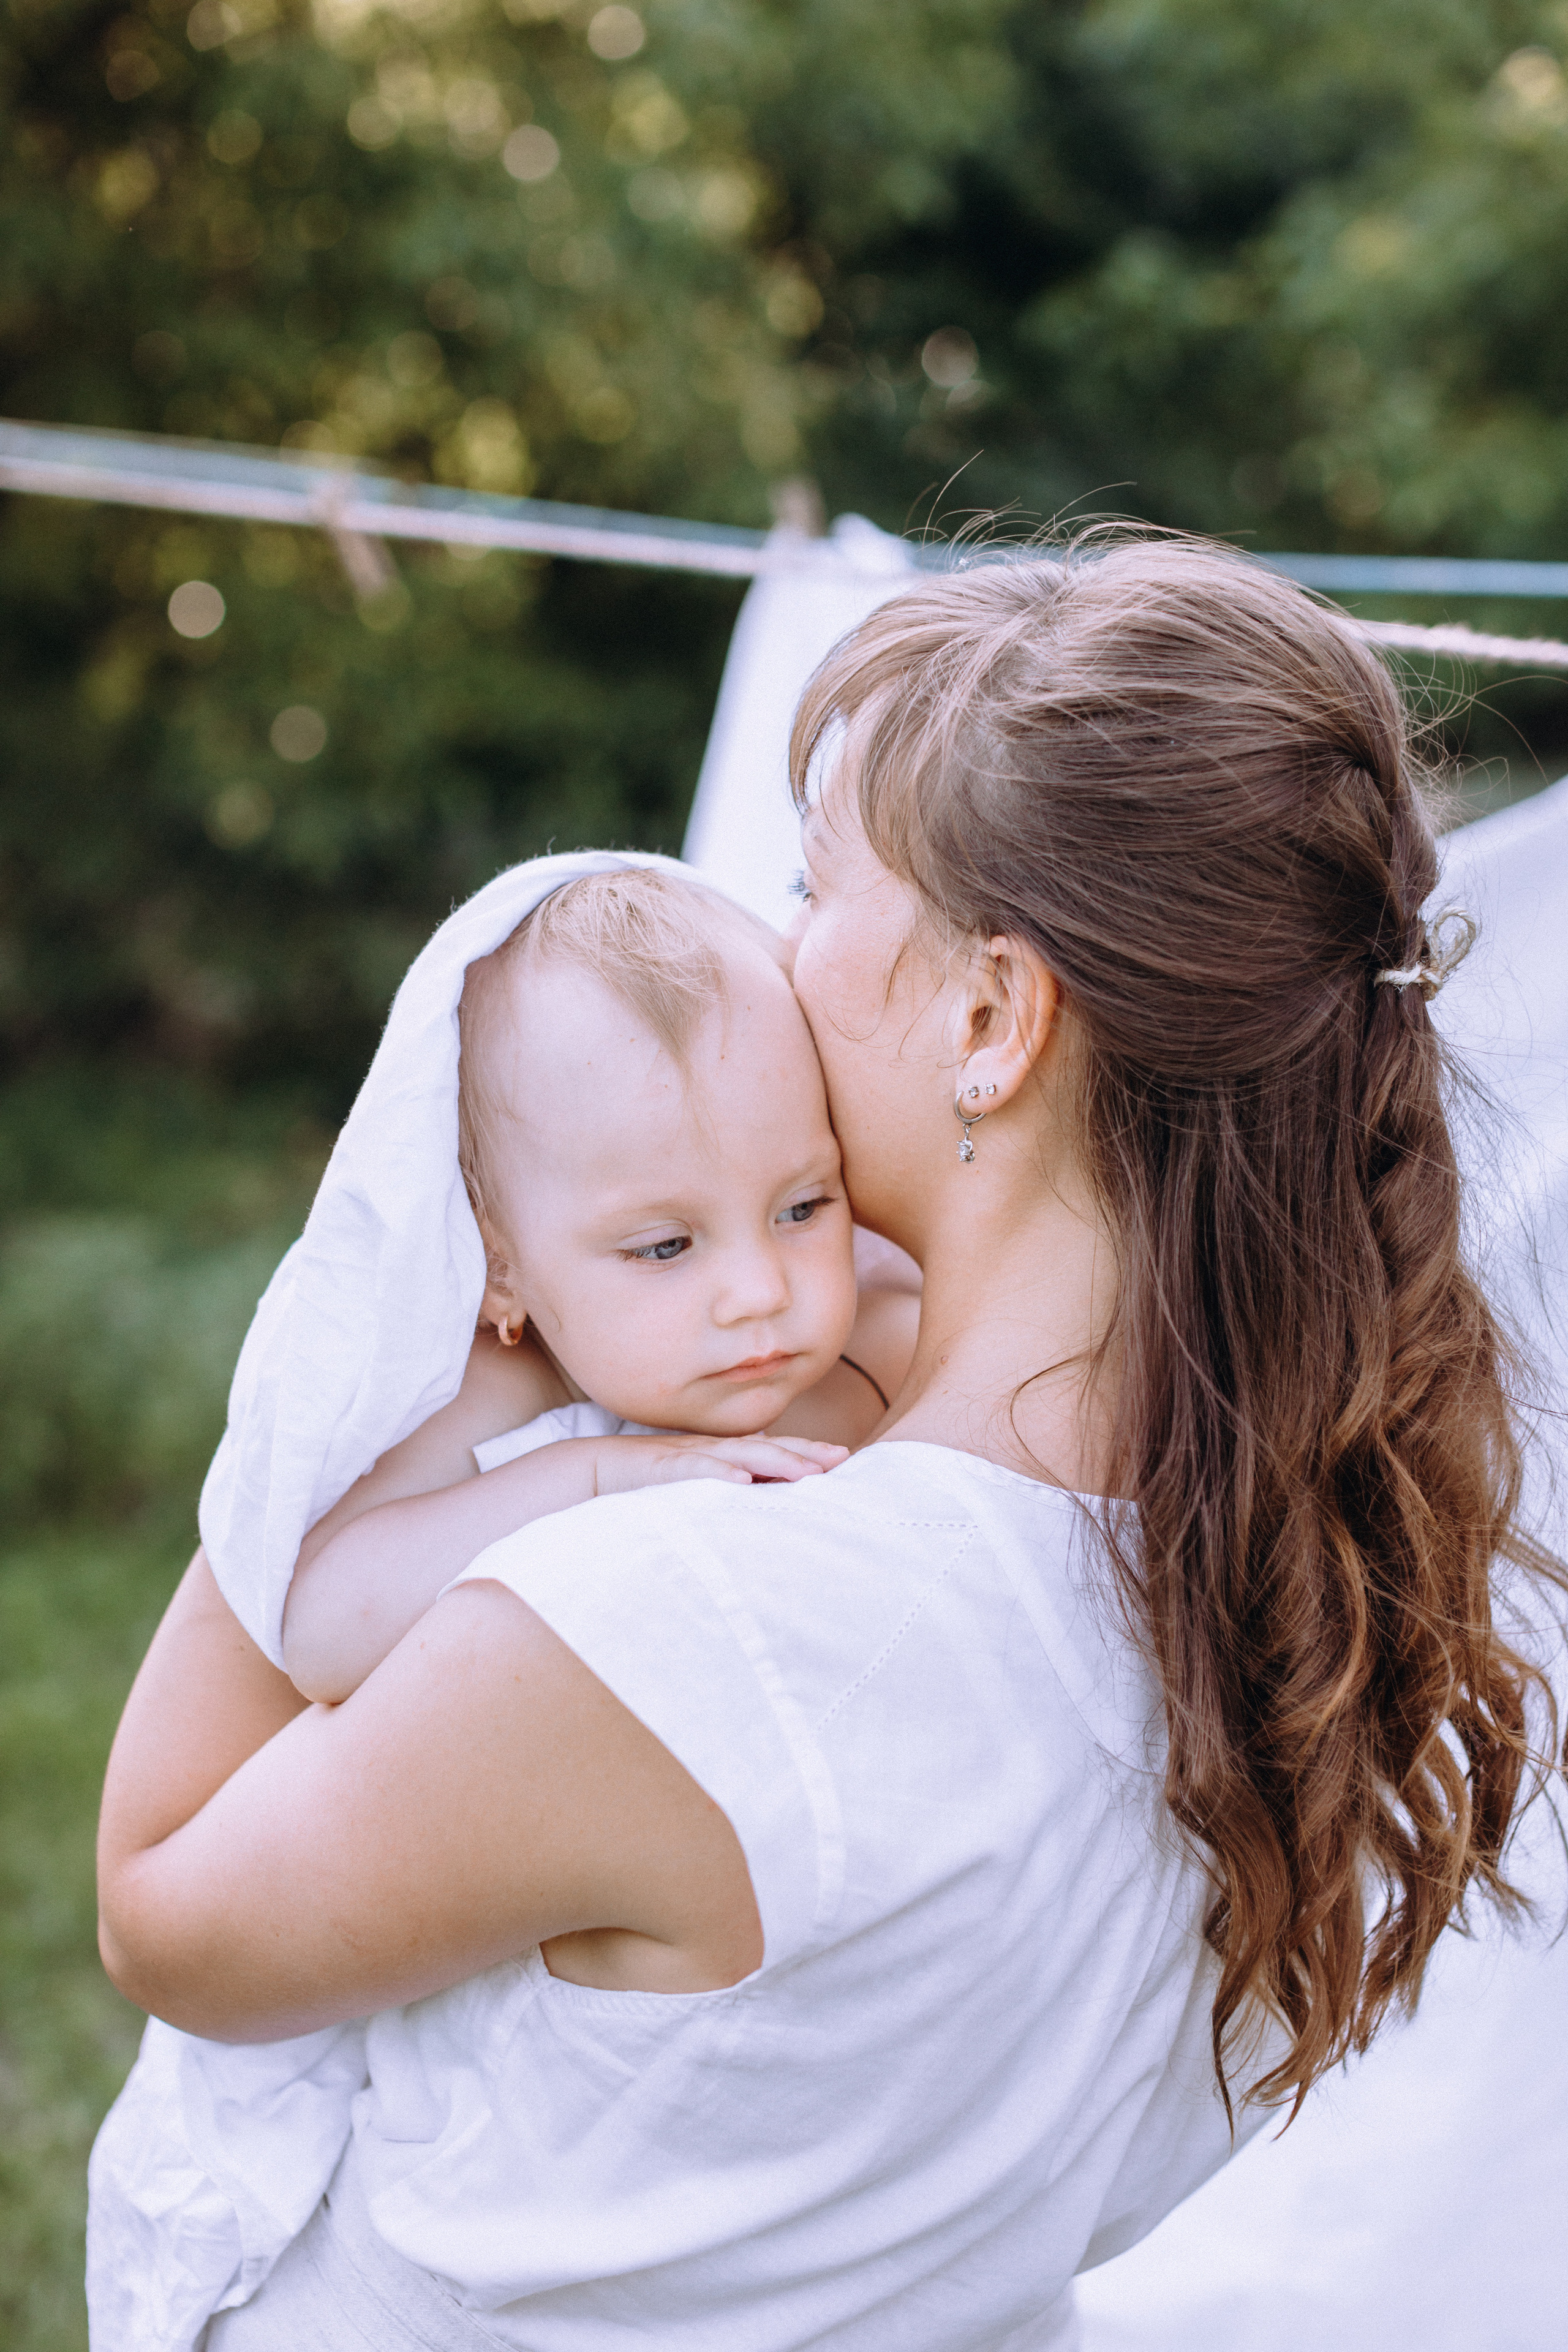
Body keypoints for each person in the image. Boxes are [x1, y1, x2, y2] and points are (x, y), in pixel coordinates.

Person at [96, 538, 1559, 2352]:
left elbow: (161, 1905)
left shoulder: (661, 1623)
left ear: (990, 1018)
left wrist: (393, 1366)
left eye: (816, 885)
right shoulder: (1281, 1592)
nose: (777, 950)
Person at [87, 861, 916, 2351]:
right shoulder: (480, 1401)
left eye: (802, 1204)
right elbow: (323, 1615)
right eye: (663, 1246)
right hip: (348, 1930)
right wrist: (592, 1483)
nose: (757, 1292)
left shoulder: (830, 1339)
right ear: (502, 1264)